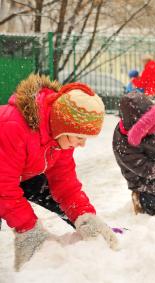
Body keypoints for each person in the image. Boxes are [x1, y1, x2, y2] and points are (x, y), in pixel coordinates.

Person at [0, 74, 118, 271]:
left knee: (56, 196)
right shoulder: (13, 127)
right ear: (63, 126)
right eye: (80, 137)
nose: (82, 144)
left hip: (20, 173)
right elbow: (4, 187)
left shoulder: (59, 138)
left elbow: (65, 183)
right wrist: (29, 229)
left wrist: (85, 216)